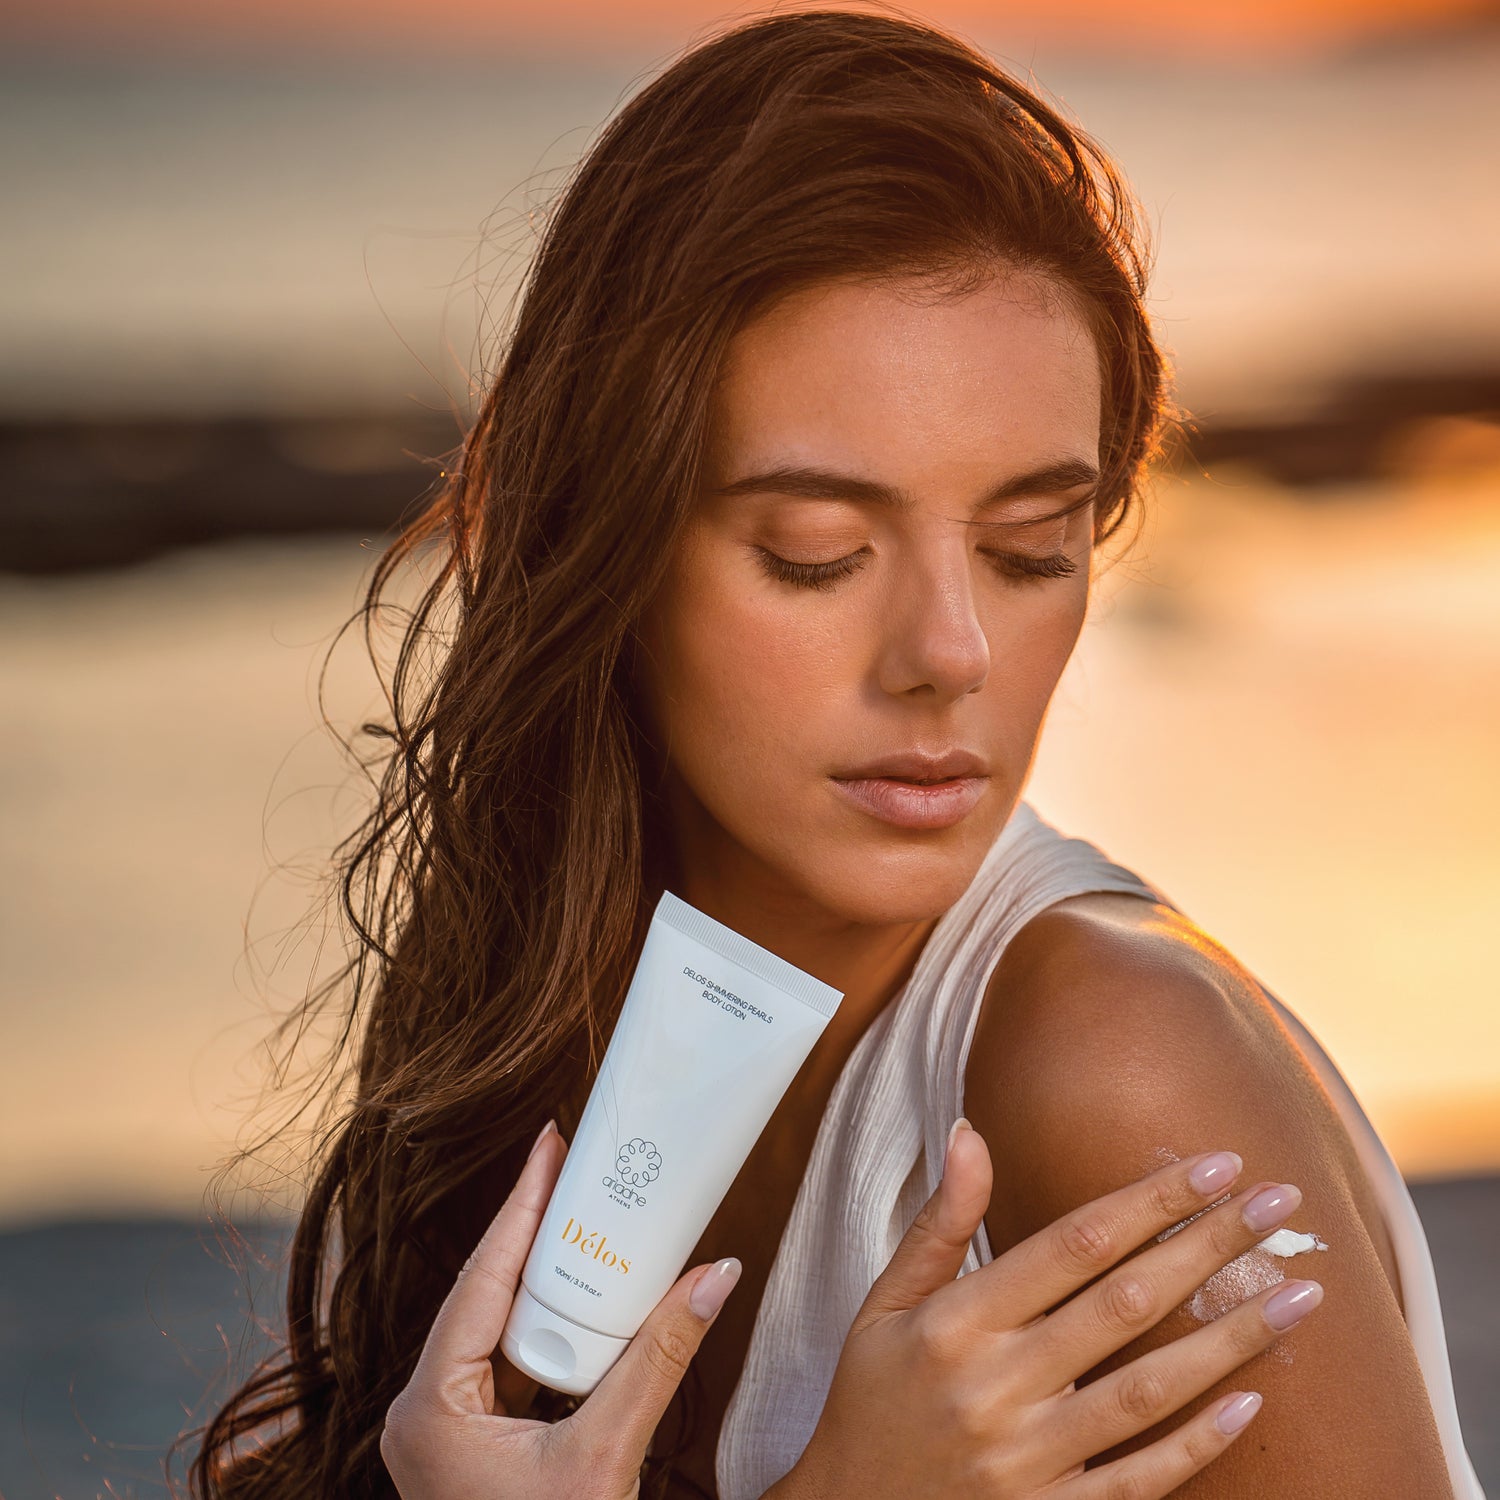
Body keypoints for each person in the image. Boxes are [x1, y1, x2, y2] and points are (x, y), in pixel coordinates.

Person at [187, 8, 1482, 1499]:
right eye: (816, 553)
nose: (950, 653)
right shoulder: (583, 1021)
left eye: (1030, 547)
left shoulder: (1118, 1064)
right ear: (601, 550)